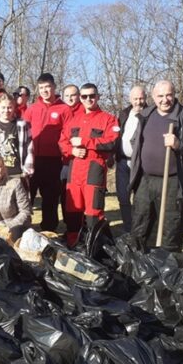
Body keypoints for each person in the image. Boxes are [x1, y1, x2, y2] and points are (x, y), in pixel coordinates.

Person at [129, 80, 183, 252]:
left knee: (171, 228)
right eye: (160, 96)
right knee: (140, 224)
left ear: (174, 94)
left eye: (168, 95)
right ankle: (138, 264)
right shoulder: (145, 115)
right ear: (152, 97)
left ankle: (168, 265)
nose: (165, 100)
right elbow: (136, 140)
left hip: (174, 182)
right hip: (145, 180)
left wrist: (179, 144)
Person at [59, 83, 120, 247]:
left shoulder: (108, 119)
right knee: (72, 211)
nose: (88, 99)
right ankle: (73, 244)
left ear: (98, 97)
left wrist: (86, 142)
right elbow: (62, 142)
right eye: (84, 96)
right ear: (80, 98)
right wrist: (72, 150)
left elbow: (112, 142)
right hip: (74, 170)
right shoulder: (73, 120)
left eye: (92, 96)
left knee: (93, 212)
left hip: (94, 169)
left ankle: (95, 246)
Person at [23, 73, 66, 231]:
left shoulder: (64, 109)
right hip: (32, 160)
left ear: (54, 87)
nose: (45, 91)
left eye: (48, 87)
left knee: (50, 199)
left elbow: (67, 134)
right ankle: (24, 229)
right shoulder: (32, 109)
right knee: (27, 197)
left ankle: (49, 230)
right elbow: (23, 132)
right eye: (41, 88)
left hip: (53, 161)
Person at [114, 85, 147, 233]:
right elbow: (117, 136)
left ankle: (139, 230)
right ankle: (128, 228)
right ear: (130, 99)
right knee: (123, 197)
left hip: (141, 164)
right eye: (135, 99)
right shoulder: (124, 114)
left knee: (140, 200)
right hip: (122, 162)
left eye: (141, 98)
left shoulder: (150, 114)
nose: (138, 102)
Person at [59, 84, 82, 232]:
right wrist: (69, 150)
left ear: (78, 95)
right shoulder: (62, 110)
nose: (70, 98)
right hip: (65, 161)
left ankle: (81, 226)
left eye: (73, 95)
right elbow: (62, 140)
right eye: (67, 96)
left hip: (82, 163)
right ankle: (70, 227)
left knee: (80, 195)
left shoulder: (83, 112)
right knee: (66, 195)